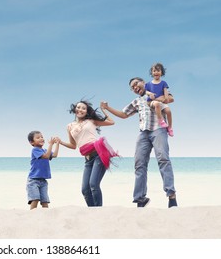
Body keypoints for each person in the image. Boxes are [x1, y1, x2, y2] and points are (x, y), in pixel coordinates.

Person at [101, 77, 178, 208]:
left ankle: (171, 196)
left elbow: (170, 98)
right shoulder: (136, 101)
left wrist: (157, 98)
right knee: (139, 164)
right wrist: (107, 108)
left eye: (136, 84)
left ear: (143, 82)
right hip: (143, 133)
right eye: (132, 87)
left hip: (159, 130)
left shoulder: (155, 89)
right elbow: (123, 114)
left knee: (163, 160)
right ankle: (140, 199)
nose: (135, 87)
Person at [58, 100, 118, 207]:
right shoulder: (70, 126)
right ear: (75, 109)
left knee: (94, 185)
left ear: (86, 111)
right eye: (79, 107)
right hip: (87, 159)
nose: (80, 110)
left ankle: (98, 210)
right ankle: (91, 211)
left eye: (83, 108)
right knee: (85, 189)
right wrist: (60, 142)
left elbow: (112, 122)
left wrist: (104, 110)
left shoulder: (91, 121)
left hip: (99, 154)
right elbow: (73, 146)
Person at [26, 131, 59, 209]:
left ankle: (46, 217)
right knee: (35, 199)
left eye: (42, 137)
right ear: (32, 142)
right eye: (38, 138)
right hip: (33, 180)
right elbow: (47, 156)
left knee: (45, 201)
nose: (41, 138)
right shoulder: (35, 150)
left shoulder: (45, 150)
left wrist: (57, 144)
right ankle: (31, 215)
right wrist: (51, 144)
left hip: (43, 181)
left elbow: (54, 155)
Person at [145, 63, 174, 137]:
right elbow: (146, 91)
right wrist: (150, 94)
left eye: (158, 71)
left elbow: (165, 92)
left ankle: (170, 127)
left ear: (161, 72)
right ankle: (161, 120)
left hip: (161, 102)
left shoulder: (163, 83)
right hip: (152, 101)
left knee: (169, 111)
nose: (156, 72)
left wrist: (166, 98)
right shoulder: (148, 84)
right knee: (157, 104)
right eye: (154, 71)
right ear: (152, 73)